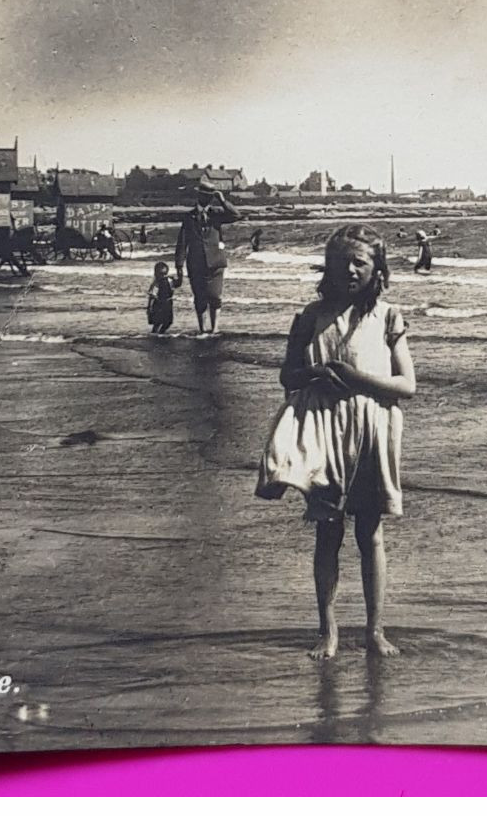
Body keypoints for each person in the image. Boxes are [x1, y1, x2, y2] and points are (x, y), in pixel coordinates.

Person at [257, 224, 416, 659]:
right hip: (324, 429)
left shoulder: (388, 316)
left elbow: (407, 384)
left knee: (371, 532)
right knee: (327, 533)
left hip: (372, 429)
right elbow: (287, 375)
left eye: (359, 263)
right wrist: (314, 374)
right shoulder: (310, 316)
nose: (348, 270)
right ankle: (328, 631)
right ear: (325, 267)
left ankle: (374, 631)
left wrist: (357, 379)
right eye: (339, 262)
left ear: (376, 270)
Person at [174, 179, 240, 334]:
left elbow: (236, 215)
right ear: (199, 196)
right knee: (200, 299)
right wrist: (179, 266)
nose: (209, 199)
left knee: (215, 297)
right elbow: (182, 242)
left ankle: (215, 329)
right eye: (206, 196)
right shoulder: (189, 217)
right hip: (196, 264)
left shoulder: (216, 214)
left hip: (216, 263)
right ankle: (203, 330)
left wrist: (222, 200)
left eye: (211, 196)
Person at [147, 261, 175, 335]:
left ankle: (161, 332)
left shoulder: (170, 281)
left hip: (168, 303)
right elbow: (152, 296)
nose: (163, 276)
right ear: (156, 274)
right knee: (157, 322)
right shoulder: (156, 283)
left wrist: (180, 274)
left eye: (165, 274)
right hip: (158, 304)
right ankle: (154, 333)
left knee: (168, 322)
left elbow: (176, 284)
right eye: (161, 274)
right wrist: (149, 307)